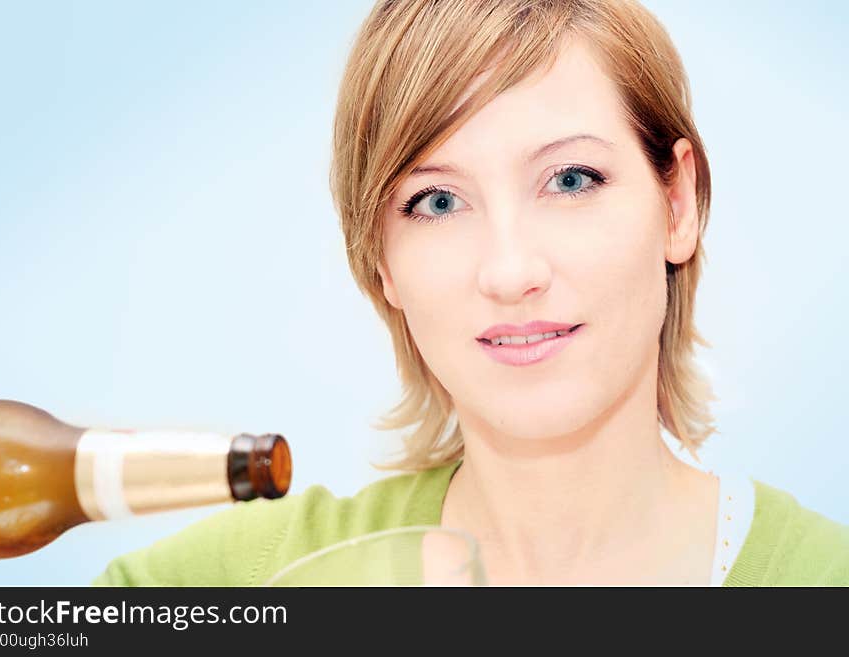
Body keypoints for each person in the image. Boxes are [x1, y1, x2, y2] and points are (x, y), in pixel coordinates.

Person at [93, 0, 849, 587]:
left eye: (571, 179)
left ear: (676, 202)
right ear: (380, 258)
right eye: (438, 202)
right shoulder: (230, 589)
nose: (509, 269)